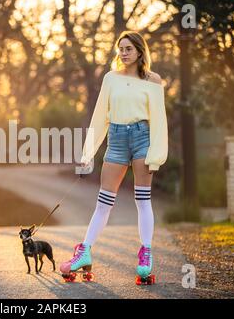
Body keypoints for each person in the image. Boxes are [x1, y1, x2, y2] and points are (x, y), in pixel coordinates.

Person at [60, 30, 168, 281]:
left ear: (140, 51)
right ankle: (84, 251)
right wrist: (88, 153)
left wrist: (156, 155)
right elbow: (101, 117)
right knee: (103, 202)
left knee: (142, 200)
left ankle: (145, 253)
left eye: (128, 48)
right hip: (117, 140)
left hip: (143, 138)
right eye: (121, 49)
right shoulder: (111, 78)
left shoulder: (153, 80)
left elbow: (160, 121)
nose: (123, 53)